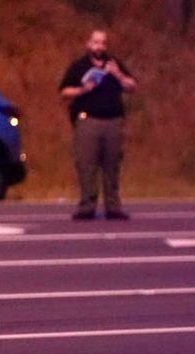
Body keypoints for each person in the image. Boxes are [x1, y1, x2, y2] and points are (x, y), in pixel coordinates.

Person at [59, 29, 137, 220]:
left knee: (112, 165)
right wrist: (83, 89)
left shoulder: (114, 64)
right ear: (89, 44)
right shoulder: (79, 66)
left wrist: (118, 74)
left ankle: (113, 206)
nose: (99, 46)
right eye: (95, 42)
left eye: (102, 43)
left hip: (113, 122)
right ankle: (87, 205)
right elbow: (64, 91)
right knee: (87, 165)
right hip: (89, 121)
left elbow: (132, 86)